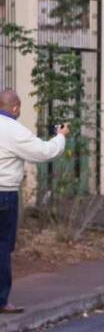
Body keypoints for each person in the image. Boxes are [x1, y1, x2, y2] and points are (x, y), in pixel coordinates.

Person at [0, 89, 68, 313]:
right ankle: (1, 301)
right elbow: (44, 152)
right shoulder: (13, 130)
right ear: (15, 108)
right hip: (4, 194)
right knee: (2, 247)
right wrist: (61, 136)